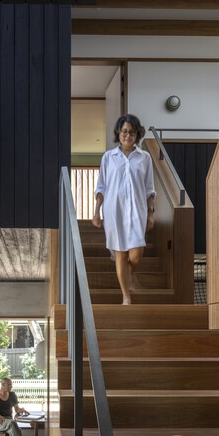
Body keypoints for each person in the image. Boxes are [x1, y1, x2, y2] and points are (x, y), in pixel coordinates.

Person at [92, 114, 156, 305]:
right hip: (114, 210)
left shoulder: (144, 158)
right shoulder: (108, 157)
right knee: (120, 252)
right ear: (118, 134)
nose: (128, 135)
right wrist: (96, 212)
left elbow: (149, 189)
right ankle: (126, 296)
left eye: (132, 132)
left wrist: (151, 214)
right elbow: (101, 187)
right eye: (124, 131)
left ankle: (130, 273)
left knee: (137, 253)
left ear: (137, 134)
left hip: (138, 209)